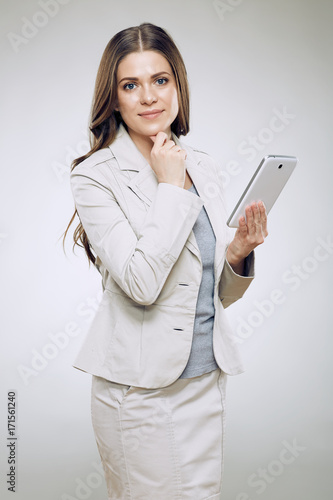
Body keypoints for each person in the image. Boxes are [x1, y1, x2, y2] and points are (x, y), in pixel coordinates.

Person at [64, 22, 268, 500]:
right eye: (130, 85)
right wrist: (169, 187)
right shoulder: (95, 178)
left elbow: (208, 294)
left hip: (204, 381)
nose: (149, 96)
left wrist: (237, 256)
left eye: (161, 80)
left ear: (178, 84)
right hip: (140, 395)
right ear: (114, 99)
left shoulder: (203, 165)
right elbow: (141, 283)